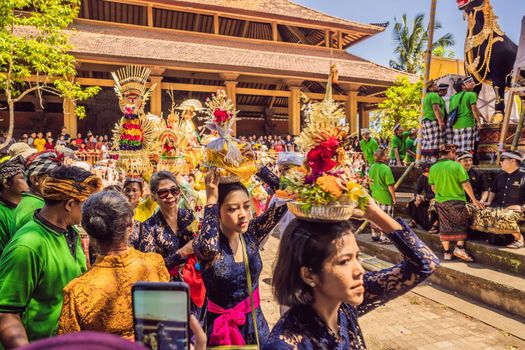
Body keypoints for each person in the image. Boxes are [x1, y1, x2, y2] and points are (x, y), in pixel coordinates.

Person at [264, 200, 439, 349]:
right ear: (309, 275)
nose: (360, 270)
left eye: (357, 257)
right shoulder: (286, 343)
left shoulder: (344, 307)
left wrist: (374, 213)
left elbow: (425, 264)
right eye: (344, 261)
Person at [0, 166, 101, 348]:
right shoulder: (27, 246)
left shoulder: (70, 232)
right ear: (70, 204)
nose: (89, 211)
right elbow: (6, 314)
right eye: (86, 204)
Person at [194, 167, 287, 347]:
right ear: (217, 212)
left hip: (255, 325)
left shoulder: (251, 233)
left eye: (246, 206)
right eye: (232, 209)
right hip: (218, 329)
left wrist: (255, 166)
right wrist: (211, 199)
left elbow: (287, 194)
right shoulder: (205, 243)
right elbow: (208, 247)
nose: (243, 214)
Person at [57, 190, 170, 339]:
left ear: (89, 233)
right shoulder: (155, 265)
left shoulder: (77, 291)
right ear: (130, 225)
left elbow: (70, 344)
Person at [428, 144, 484, 261]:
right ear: (451, 153)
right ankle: (459, 248)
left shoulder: (433, 168)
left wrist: (443, 192)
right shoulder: (457, 166)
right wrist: (474, 200)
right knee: (461, 225)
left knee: (444, 226)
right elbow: (465, 184)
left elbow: (433, 188)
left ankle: (447, 253)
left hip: (441, 200)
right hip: (457, 200)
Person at [470, 151, 525, 248]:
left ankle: (519, 239)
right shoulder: (501, 176)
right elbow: (493, 190)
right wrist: (489, 202)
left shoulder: (523, 176)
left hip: (518, 210)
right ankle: (489, 235)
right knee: (478, 211)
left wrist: (522, 207)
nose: (500, 162)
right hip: (499, 207)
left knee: (504, 216)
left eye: (503, 160)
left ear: (512, 161)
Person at [12, 151, 63, 233]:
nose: (59, 182)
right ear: (35, 180)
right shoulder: (35, 208)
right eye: (53, 177)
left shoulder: (36, 202)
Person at [0, 157, 29, 255]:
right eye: (22, 178)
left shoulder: (28, 204)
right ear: (6, 183)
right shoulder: (1, 213)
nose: (27, 181)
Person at [450, 77, 484, 155]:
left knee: (458, 147)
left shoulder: (453, 97)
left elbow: (452, 111)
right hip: (468, 123)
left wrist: (482, 117)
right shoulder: (471, 94)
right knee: (468, 147)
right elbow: (474, 109)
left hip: (456, 125)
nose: (472, 82)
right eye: (469, 82)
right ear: (463, 86)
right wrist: (479, 122)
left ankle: (459, 163)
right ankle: (467, 164)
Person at [368, 148, 396, 244]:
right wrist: (394, 198)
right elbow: (390, 185)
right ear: (383, 157)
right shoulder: (386, 168)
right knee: (385, 217)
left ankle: (374, 234)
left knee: (375, 216)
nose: (387, 157)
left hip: (374, 194)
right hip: (384, 196)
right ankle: (383, 236)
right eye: (386, 155)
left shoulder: (371, 167)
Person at [407, 163, 438, 231]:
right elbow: (417, 190)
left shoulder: (438, 178)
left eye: (429, 172)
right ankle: (415, 220)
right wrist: (417, 196)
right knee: (412, 201)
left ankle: (435, 224)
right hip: (426, 197)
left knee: (434, 204)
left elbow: (439, 194)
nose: (427, 174)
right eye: (425, 173)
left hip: (436, 198)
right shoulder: (422, 177)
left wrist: (425, 197)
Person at [421, 81, 446, 161]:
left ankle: (425, 161)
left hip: (426, 121)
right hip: (433, 120)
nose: (437, 86)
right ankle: (433, 162)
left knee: (428, 142)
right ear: (430, 88)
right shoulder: (434, 95)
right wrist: (440, 122)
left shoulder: (426, 96)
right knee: (435, 143)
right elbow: (436, 108)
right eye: (435, 85)